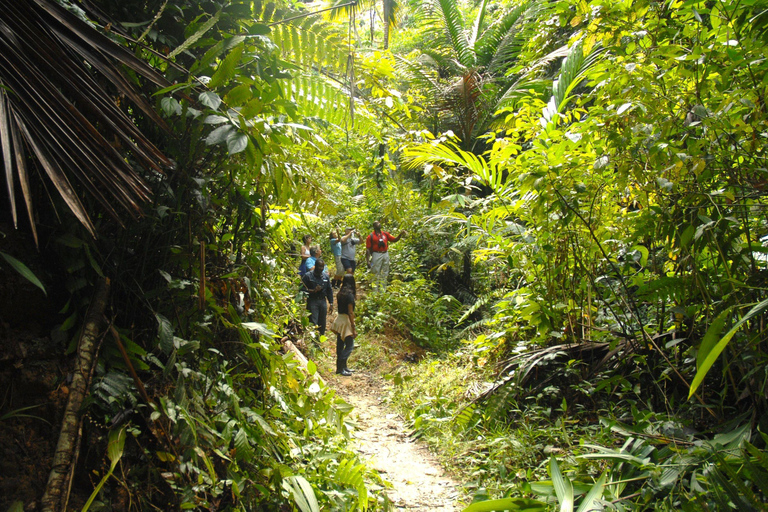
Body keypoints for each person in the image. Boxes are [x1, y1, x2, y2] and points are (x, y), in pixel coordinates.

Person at [365, 220, 406, 292]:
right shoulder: (370, 236)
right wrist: (368, 261)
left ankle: (382, 291)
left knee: (385, 272)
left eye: (379, 223)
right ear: (374, 226)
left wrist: (400, 234)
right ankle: (375, 291)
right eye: (377, 223)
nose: (379, 224)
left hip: (385, 253)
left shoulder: (385, 234)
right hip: (376, 254)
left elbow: (394, 239)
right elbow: (368, 249)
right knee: (375, 272)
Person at [331, 274, 357, 376]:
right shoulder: (350, 295)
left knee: (340, 344)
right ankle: (341, 366)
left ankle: (342, 367)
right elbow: (350, 312)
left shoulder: (340, 293)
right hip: (346, 320)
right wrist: (353, 327)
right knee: (349, 346)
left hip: (339, 319)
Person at [301, 259, 333, 336]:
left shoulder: (325, 277)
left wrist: (331, 303)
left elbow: (329, 290)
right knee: (313, 320)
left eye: (322, 267)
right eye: (319, 266)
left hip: (322, 301)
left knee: (322, 321)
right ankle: (313, 338)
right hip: (312, 301)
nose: (321, 268)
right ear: (315, 266)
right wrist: (313, 291)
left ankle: (321, 337)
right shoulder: (308, 276)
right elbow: (301, 289)